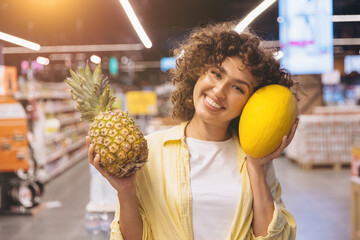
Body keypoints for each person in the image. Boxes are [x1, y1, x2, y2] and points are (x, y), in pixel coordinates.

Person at [86, 21, 299, 240]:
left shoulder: (256, 159)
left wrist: (255, 167)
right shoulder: (151, 151)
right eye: (216, 73)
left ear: (251, 102)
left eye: (237, 87)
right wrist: (126, 190)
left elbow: (277, 237)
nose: (219, 91)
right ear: (197, 72)